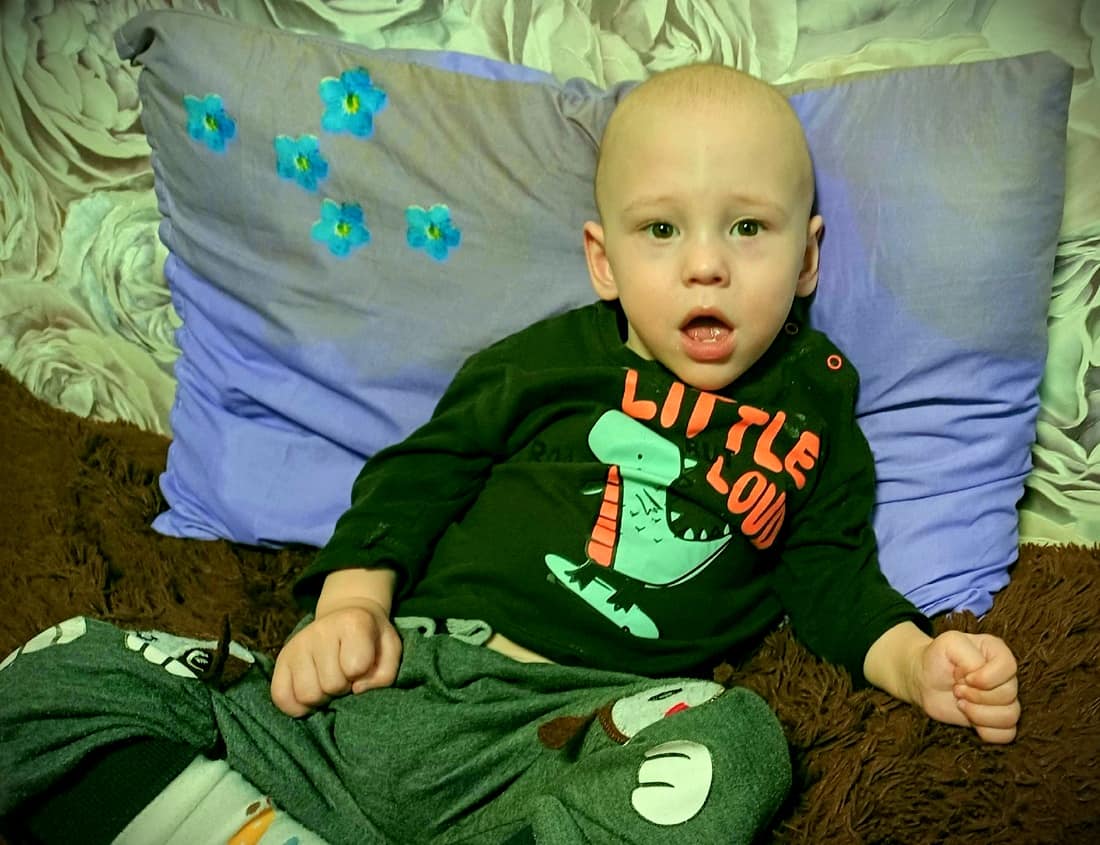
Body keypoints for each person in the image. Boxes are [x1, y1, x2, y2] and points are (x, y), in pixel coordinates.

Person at [0, 64, 1019, 845]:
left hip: (570, 738)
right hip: (397, 675)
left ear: (806, 258)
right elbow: (420, 472)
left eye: (747, 227)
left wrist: (918, 662)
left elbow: (834, 581)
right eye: (661, 229)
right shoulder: (548, 360)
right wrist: (350, 604)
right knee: (60, 667)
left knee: (741, 743)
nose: (705, 263)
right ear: (602, 259)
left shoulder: (812, 419)